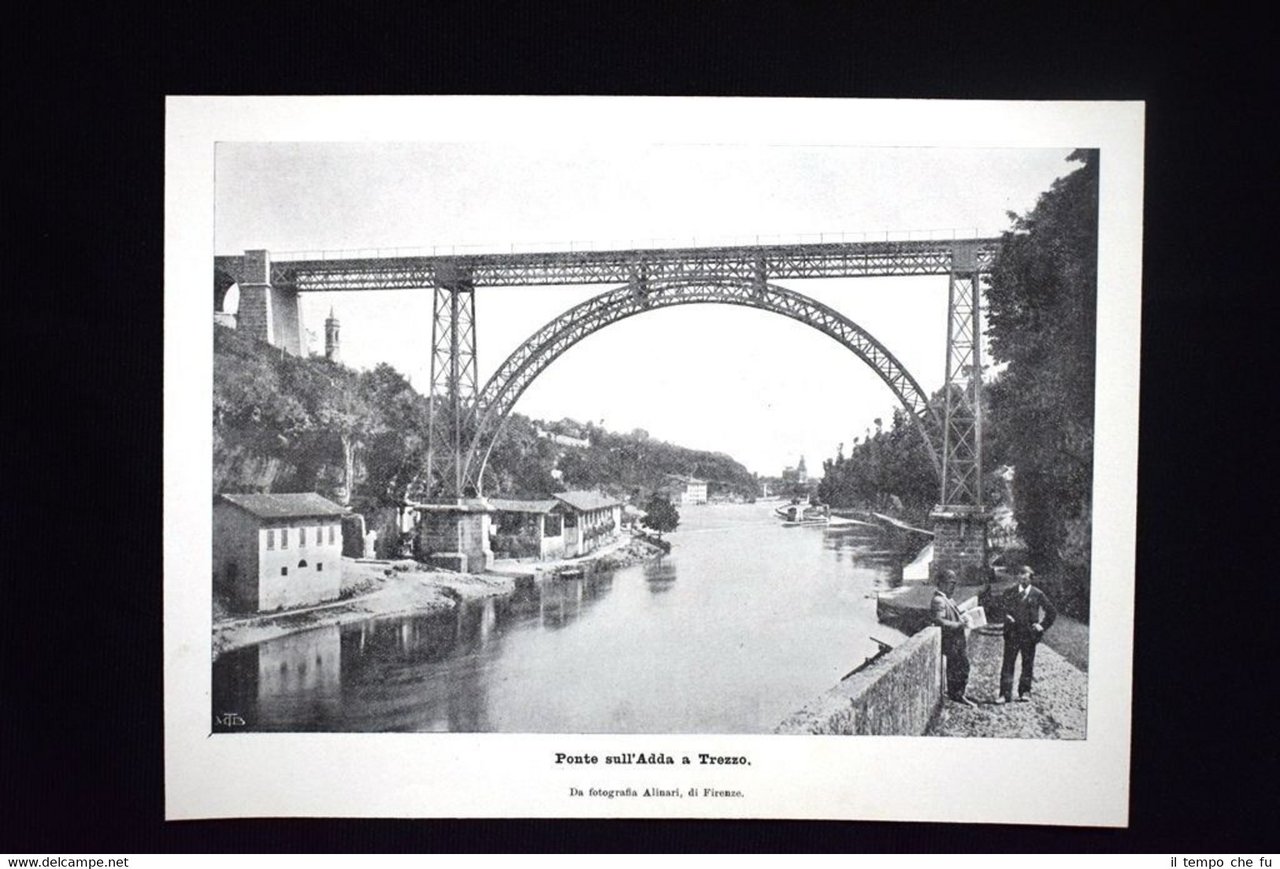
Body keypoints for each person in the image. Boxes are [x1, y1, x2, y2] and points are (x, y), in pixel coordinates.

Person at [998, 564, 1058, 703]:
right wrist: (1006, 616)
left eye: (1026, 576)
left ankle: (1025, 692)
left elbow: (1052, 612)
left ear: (1031, 578)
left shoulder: (1037, 594)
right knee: (1008, 663)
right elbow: (1000, 609)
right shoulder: (1010, 592)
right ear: (1017, 577)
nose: (1023, 578)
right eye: (1020, 575)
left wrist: (1041, 626)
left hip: (1029, 635)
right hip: (1012, 634)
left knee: (1027, 663)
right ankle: (1004, 694)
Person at [931, 569, 975, 707]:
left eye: (954, 583)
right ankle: (956, 695)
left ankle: (957, 694)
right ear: (942, 584)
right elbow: (940, 621)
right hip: (951, 641)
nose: (953, 587)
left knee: (961, 667)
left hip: (957, 640)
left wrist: (963, 617)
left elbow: (953, 614)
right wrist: (959, 625)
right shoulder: (939, 600)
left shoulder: (948, 599)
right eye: (951, 583)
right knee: (959, 667)